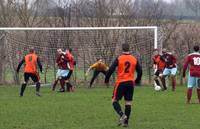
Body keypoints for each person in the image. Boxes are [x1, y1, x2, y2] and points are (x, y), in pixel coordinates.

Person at [105, 43, 142, 127]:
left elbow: (111, 69)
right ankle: (126, 122)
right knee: (128, 102)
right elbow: (140, 71)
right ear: (129, 49)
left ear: (122, 49)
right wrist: (137, 80)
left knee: (114, 101)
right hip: (130, 83)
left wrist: (106, 79)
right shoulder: (134, 59)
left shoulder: (119, 58)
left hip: (121, 82)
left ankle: (122, 115)